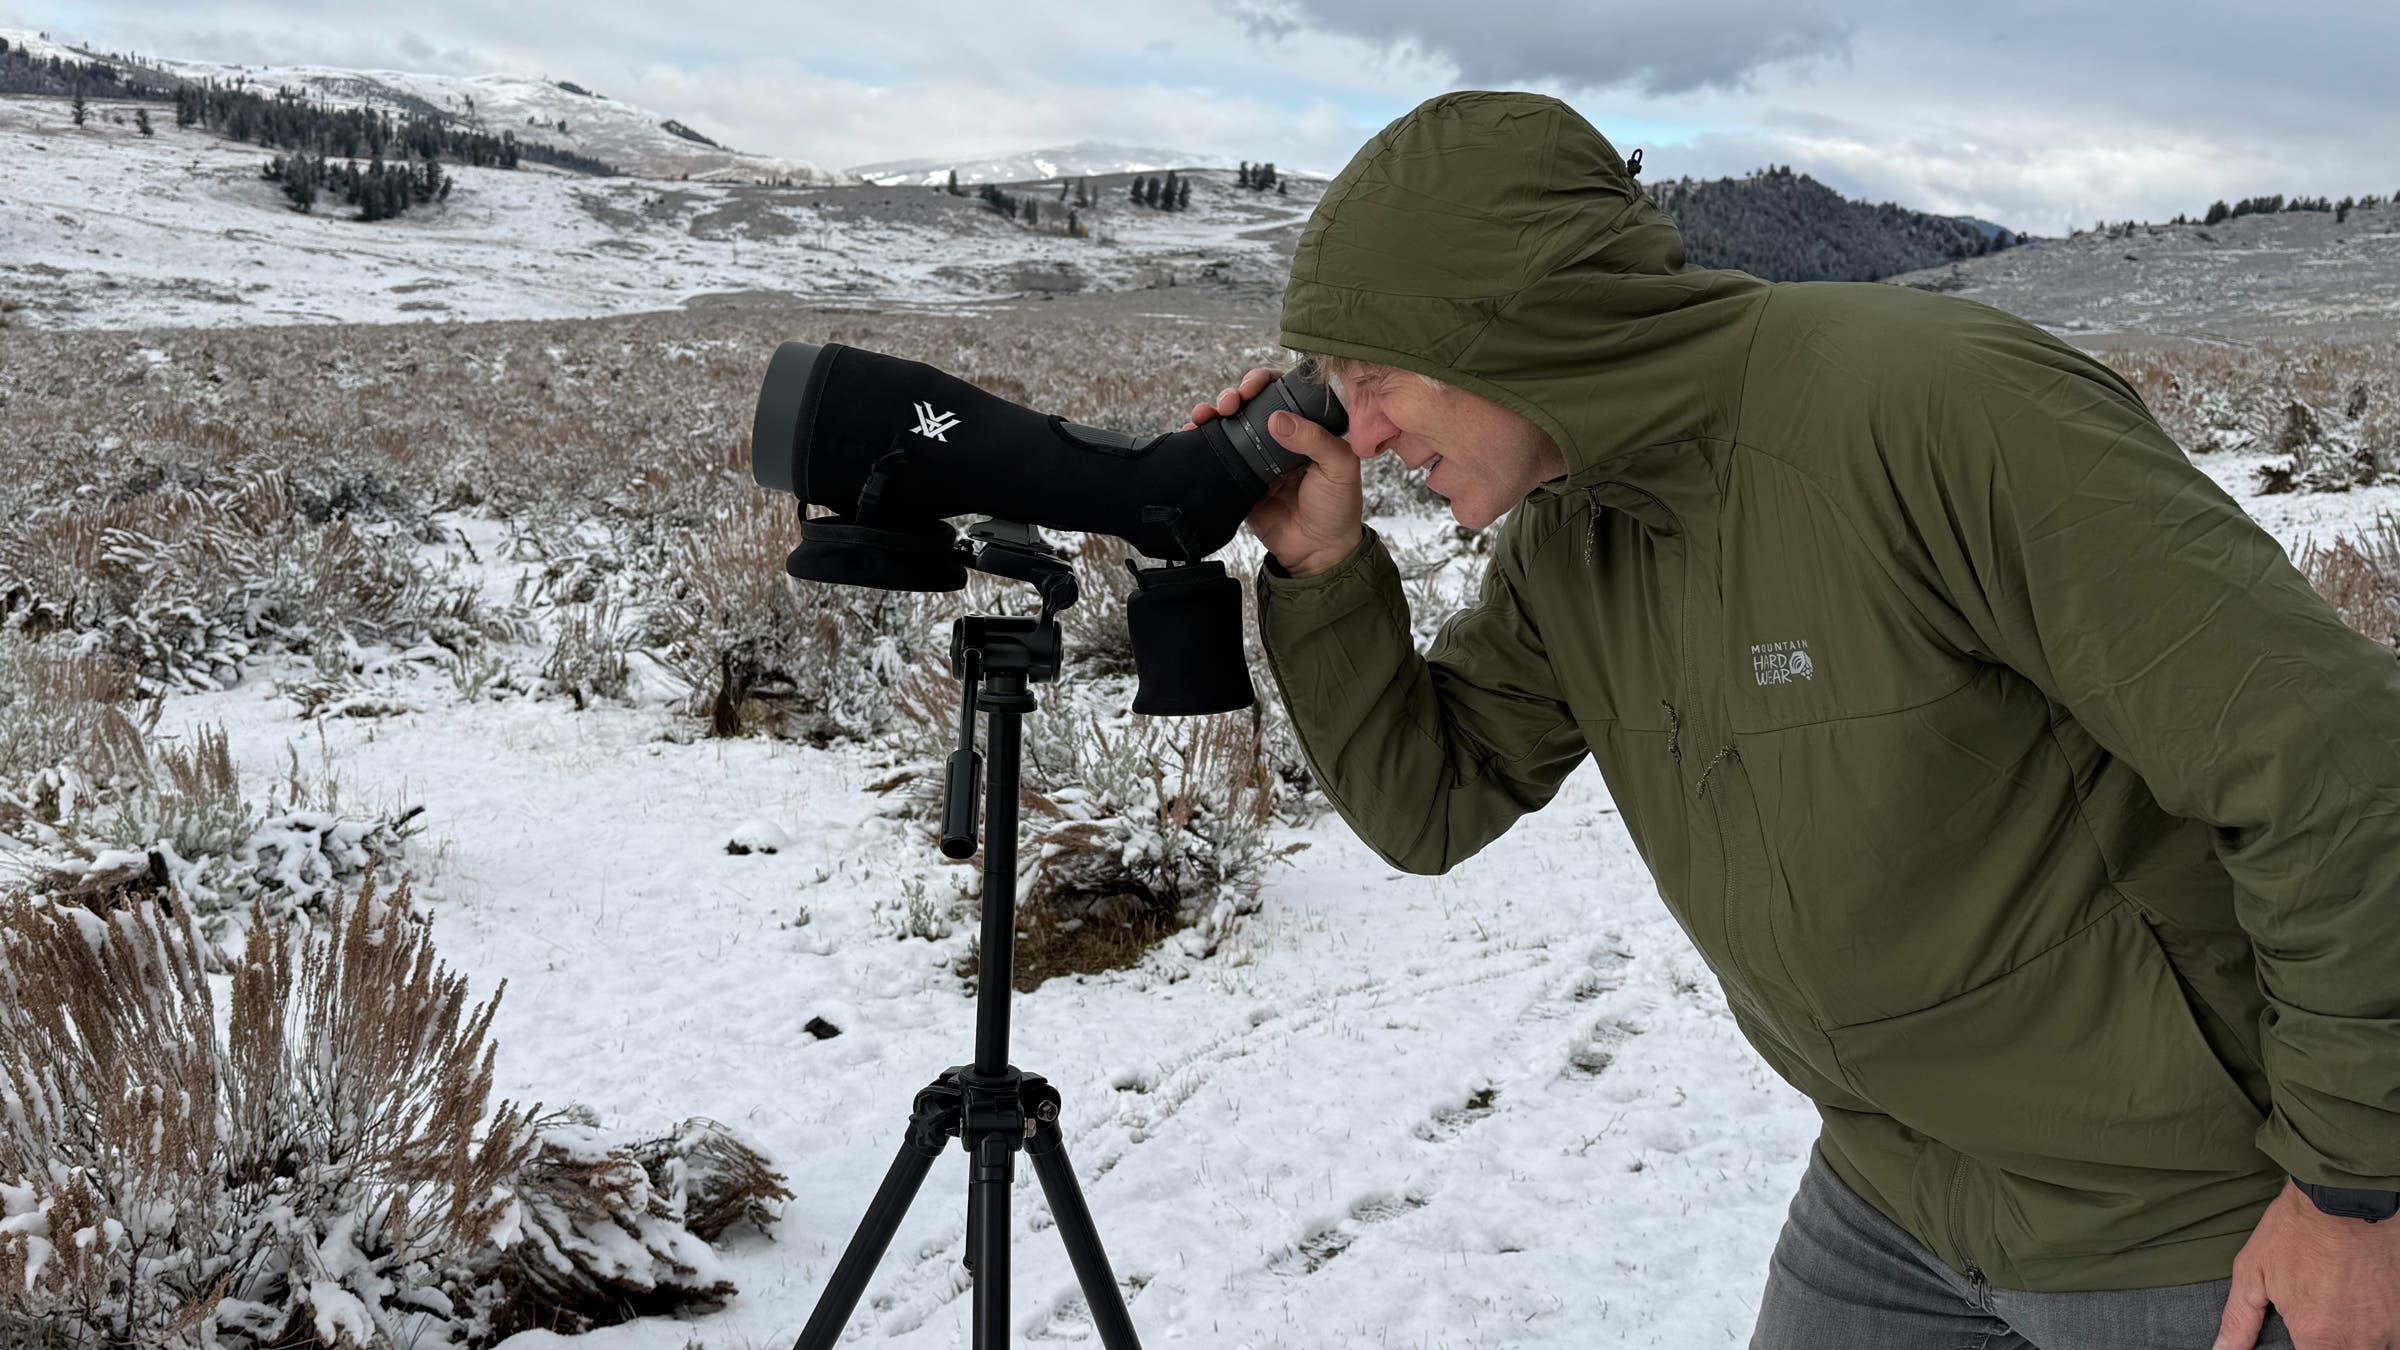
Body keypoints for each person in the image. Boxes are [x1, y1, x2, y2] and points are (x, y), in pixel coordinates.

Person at [1186, 91, 2400, 1350]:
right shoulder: (1574, 529)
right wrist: (1326, 573)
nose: (1365, 434)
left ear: (1516, 326)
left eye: (1379, 376)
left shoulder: (1927, 406)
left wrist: (2353, 1193)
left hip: (2189, 1211)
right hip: (1894, 1194)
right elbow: (1431, 801)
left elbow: (2332, 765)